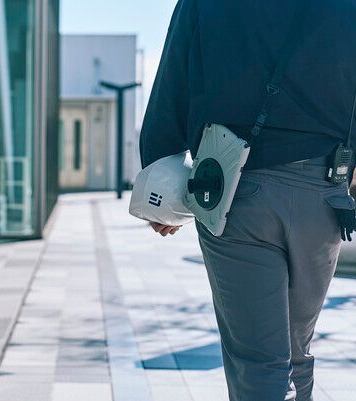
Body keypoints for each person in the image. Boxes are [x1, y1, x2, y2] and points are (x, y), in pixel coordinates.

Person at [139, 1, 356, 400]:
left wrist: (159, 178)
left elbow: (172, 82)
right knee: (296, 354)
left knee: (260, 363)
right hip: (324, 192)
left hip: (233, 189)